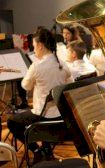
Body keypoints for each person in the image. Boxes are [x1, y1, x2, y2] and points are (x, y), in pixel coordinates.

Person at [7, 28, 70, 163]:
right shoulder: (62, 63)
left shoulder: (36, 66)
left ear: (40, 46)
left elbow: (25, 86)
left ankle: (37, 150)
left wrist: (32, 76)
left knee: (12, 122)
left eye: (34, 46)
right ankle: (46, 149)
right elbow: (68, 78)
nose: (34, 49)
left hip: (42, 115)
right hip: (60, 115)